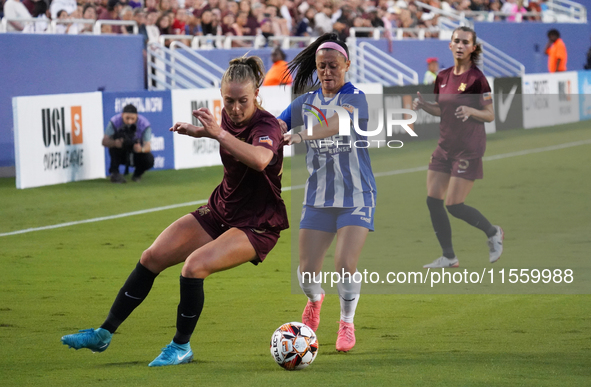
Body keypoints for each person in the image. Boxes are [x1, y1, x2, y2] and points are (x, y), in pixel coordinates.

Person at [61, 56, 289, 367]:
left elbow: (261, 158)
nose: (234, 108)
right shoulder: (227, 117)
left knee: (194, 267)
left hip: (257, 223)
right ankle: (104, 333)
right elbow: (229, 134)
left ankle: (181, 346)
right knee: (151, 256)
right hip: (221, 210)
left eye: (243, 101)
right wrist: (200, 132)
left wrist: (219, 134)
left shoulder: (267, 126)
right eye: (229, 100)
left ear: (257, 94)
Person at [279, 33, 377, 352]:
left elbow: (339, 122)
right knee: (306, 273)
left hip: (356, 194)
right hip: (318, 197)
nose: (327, 72)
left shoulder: (357, 97)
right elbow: (275, 125)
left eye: (333, 66)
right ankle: (315, 299)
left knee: (345, 264)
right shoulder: (304, 102)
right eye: (321, 67)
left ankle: (346, 322)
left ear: (347, 65)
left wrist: (303, 134)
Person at [413, 26, 503, 269]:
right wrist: (423, 105)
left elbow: (490, 114)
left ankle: (493, 232)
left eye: (466, 42)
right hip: (445, 146)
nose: (461, 45)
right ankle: (449, 256)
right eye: (457, 41)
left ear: (473, 48)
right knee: (433, 200)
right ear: (450, 45)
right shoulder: (442, 77)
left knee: (453, 204)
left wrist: (472, 110)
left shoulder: (477, 79)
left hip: (469, 148)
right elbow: (442, 110)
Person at [102, 104, 154, 183]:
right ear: (122, 115)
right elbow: (104, 141)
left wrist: (141, 149)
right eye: (127, 118)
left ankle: (137, 174)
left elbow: (148, 146)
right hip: (120, 151)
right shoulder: (114, 122)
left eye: (132, 119)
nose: (130, 121)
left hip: (135, 152)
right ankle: (115, 173)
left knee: (149, 159)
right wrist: (115, 143)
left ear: (137, 116)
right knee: (113, 144)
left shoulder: (144, 124)